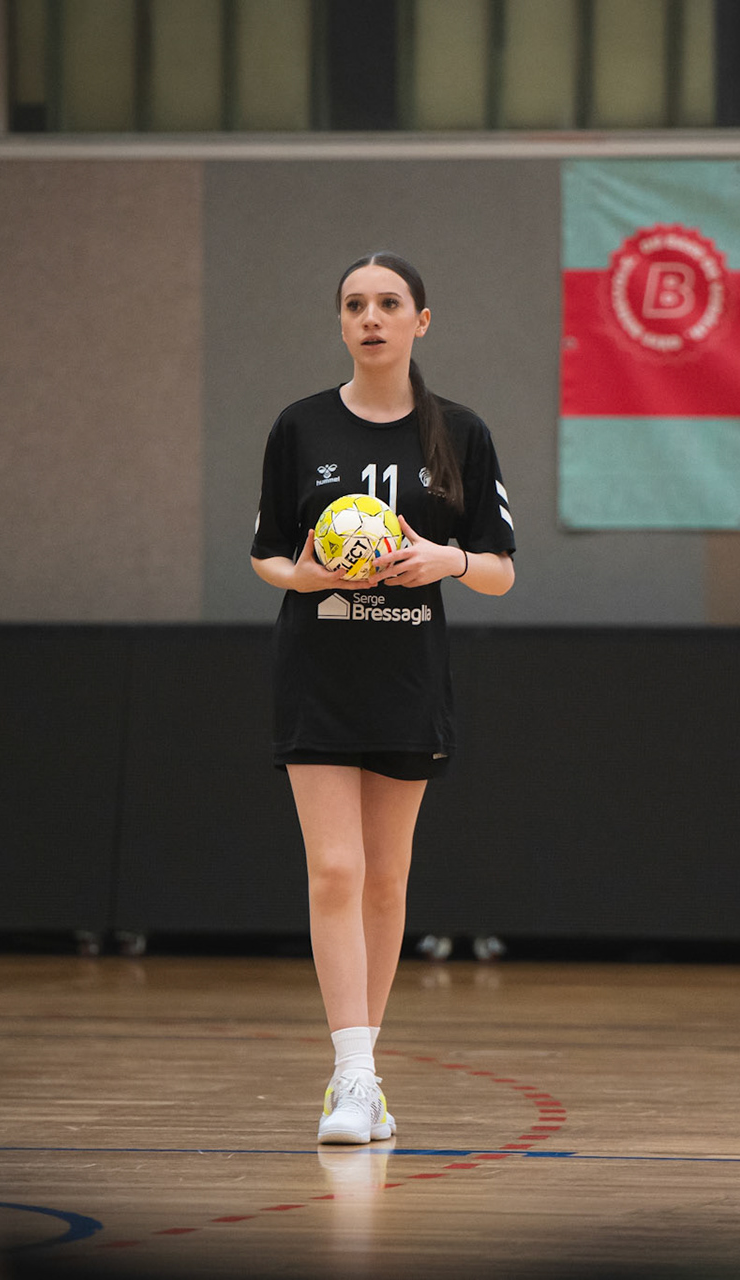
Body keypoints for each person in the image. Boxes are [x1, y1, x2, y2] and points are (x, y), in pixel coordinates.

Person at [249, 252, 517, 1144]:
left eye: (389, 303)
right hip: (319, 672)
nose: (371, 317)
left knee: (387, 876)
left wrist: (448, 560)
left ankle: (367, 1073)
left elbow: (501, 571)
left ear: (420, 321)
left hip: (407, 677)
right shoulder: (300, 426)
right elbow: (267, 555)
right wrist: (306, 575)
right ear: (341, 322)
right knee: (336, 870)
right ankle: (353, 1079)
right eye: (355, 304)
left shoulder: (460, 433)